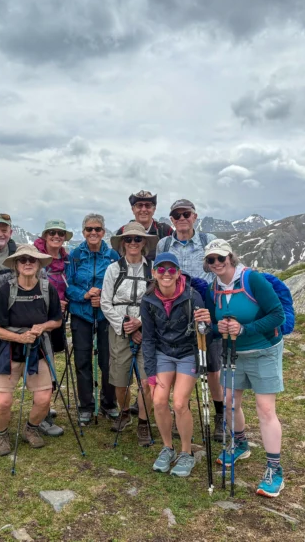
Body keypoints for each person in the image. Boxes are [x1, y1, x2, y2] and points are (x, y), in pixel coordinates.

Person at [204, 239, 286, 498]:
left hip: (264, 349)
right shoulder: (213, 288)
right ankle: (240, 445)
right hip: (233, 352)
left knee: (265, 409)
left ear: (231, 257)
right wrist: (218, 328)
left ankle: (275, 469)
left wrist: (244, 329)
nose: (217, 263)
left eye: (221, 258)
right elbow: (214, 324)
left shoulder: (253, 280)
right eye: (211, 260)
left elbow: (277, 315)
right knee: (229, 401)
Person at [156, 199, 225, 442]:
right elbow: (158, 275)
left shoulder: (208, 241)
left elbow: (221, 272)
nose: (181, 218)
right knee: (177, 366)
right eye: (176, 215)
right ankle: (178, 414)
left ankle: (220, 417)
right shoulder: (164, 244)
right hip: (174, 315)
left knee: (213, 368)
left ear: (195, 216)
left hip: (205, 312)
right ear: (171, 219)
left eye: (186, 214)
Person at [0, 244, 64, 456]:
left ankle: (32, 428)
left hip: (37, 350)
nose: (28, 263)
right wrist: (19, 337)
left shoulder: (48, 290)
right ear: (16, 265)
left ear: (39, 264)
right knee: (2, 403)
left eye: (32, 260)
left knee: (44, 399)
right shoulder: (5, 291)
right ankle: (2, 433)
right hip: (7, 350)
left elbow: (57, 320)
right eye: (23, 260)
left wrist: (43, 327)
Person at [141, 252, 210, 477]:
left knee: (180, 403)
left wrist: (206, 325)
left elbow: (205, 332)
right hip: (163, 354)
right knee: (159, 401)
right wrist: (150, 372)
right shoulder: (148, 299)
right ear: (154, 273)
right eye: (161, 269)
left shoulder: (193, 296)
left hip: (187, 353)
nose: (166, 274)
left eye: (171, 270)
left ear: (178, 272)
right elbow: (149, 337)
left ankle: (186, 453)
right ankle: (167, 447)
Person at [101, 222, 157, 446]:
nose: (133, 243)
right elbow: (106, 303)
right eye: (128, 239)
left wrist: (141, 324)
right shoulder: (113, 269)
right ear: (122, 243)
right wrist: (126, 326)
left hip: (147, 332)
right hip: (119, 329)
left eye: (137, 239)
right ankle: (124, 411)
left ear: (144, 242)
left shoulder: (152, 269)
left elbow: (157, 302)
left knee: (147, 381)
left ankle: (143, 423)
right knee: (120, 379)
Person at [66, 213, 120, 424]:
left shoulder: (113, 256)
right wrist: (86, 295)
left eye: (97, 229)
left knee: (108, 361)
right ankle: (86, 405)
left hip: (106, 315)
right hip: (81, 315)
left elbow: (119, 286)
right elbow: (68, 286)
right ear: (84, 232)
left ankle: (109, 403)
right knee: (82, 361)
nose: (93, 233)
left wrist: (104, 298)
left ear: (103, 232)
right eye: (89, 229)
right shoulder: (75, 255)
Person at [32, 219, 73, 437]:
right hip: (38, 318)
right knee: (42, 362)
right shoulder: (35, 258)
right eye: (52, 233)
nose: (57, 236)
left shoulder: (65, 260)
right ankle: (42, 416)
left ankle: (43, 405)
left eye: (60, 233)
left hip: (56, 319)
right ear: (45, 235)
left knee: (50, 361)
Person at [115, 190, 173, 260]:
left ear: (154, 209)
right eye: (139, 205)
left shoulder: (165, 230)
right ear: (133, 209)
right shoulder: (123, 231)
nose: (143, 209)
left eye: (148, 205)